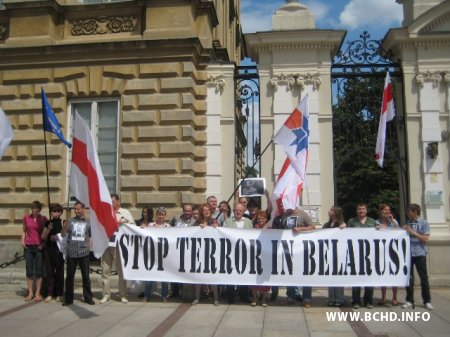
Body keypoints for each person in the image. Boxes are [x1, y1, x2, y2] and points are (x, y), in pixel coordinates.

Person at [100, 194, 135, 304]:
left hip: (119, 246)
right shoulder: (106, 213)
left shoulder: (125, 213)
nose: (111, 204)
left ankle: (123, 294)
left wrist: (124, 224)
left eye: (113, 202)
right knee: (105, 271)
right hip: (106, 244)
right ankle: (106, 294)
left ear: (118, 202)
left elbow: (133, 226)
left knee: (121, 271)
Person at [62, 201, 94, 306]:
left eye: (78, 209)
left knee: (86, 276)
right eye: (75, 209)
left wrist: (90, 246)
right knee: (70, 277)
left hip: (84, 252)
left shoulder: (88, 222)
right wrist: (64, 226)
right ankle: (68, 298)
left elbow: (91, 236)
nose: (76, 211)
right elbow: (63, 234)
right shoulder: (70, 221)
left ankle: (88, 297)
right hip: (72, 252)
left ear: (83, 209)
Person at [402, 204, 433, 310]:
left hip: (420, 253)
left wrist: (412, 232)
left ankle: (427, 300)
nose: (407, 213)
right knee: (409, 278)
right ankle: (409, 300)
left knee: (423, 278)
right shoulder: (407, 222)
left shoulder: (424, 223)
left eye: (409, 211)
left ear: (415, 212)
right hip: (408, 254)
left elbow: (425, 239)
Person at [348, 203, 377, 309]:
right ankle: (356, 301)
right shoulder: (351, 221)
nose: (361, 211)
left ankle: (368, 301)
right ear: (356, 211)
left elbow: (378, 234)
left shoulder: (372, 222)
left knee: (369, 278)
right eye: (359, 209)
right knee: (356, 278)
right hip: (356, 253)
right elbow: (347, 235)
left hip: (369, 254)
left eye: (363, 209)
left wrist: (380, 229)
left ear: (366, 210)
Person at [223, 202, 253, 303]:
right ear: (234, 211)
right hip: (231, 253)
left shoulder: (248, 222)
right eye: (236, 210)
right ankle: (230, 297)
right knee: (231, 274)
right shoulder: (227, 221)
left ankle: (244, 296)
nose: (238, 212)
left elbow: (252, 235)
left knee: (244, 274)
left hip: (244, 253)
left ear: (243, 211)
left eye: (240, 210)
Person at [192, 203, 219, 306]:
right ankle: (197, 298)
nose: (207, 211)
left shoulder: (214, 221)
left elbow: (219, 233)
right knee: (198, 276)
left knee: (213, 276)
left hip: (212, 253)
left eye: (208, 210)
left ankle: (216, 298)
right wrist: (198, 228)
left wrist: (216, 227)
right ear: (201, 212)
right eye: (204, 210)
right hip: (200, 252)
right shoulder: (197, 222)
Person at [142, 207, 171, 303]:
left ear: (165, 216)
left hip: (164, 255)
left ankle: (164, 296)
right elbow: (144, 234)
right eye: (159, 214)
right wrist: (142, 228)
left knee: (164, 277)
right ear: (156, 215)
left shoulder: (168, 226)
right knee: (150, 276)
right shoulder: (151, 225)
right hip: (152, 254)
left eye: (162, 215)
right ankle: (147, 295)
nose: (161, 216)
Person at [21, 200, 47, 302]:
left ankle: (37, 293)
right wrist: (22, 240)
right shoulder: (26, 218)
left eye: (35, 208)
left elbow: (46, 233)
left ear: (39, 209)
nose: (33, 210)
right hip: (28, 246)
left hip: (39, 247)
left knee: (39, 270)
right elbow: (24, 230)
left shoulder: (43, 219)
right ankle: (30, 292)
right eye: (32, 208)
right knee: (29, 270)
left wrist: (43, 244)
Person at [290, 208, 315, 307]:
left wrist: (300, 229)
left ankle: (307, 298)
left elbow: (312, 227)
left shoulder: (303, 214)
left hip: (303, 248)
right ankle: (291, 296)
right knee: (290, 272)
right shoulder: (285, 215)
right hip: (290, 249)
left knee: (306, 273)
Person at [376, 203, 399, 306]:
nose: (387, 212)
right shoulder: (376, 222)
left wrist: (392, 220)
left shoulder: (393, 222)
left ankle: (394, 297)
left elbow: (398, 231)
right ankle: (383, 297)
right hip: (381, 251)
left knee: (394, 274)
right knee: (383, 274)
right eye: (384, 210)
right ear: (380, 211)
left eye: (388, 210)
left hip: (393, 250)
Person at [41, 203, 65, 303]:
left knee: (59, 271)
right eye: (51, 211)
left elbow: (65, 235)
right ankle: (50, 293)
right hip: (49, 249)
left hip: (59, 250)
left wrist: (58, 236)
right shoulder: (48, 223)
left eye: (54, 211)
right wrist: (49, 229)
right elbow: (43, 236)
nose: (52, 213)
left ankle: (59, 293)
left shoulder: (63, 222)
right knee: (49, 271)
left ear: (59, 213)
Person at [323, 206, 346, 307]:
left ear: (336, 212)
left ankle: (339, 298)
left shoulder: (341, 224)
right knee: (331, 276)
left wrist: (344, 227)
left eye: (331, 210)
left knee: (339, 276)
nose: (329, 211)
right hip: (329, 253)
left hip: (339, 253)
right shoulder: (327, 224)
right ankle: (331, 298)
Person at [249, 211, 271, 307]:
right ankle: (255, 297)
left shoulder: (270, 229)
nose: (261, 220)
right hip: (255, 256)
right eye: (259, 218)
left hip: (266, 256)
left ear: (266, 219)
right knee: (254, 278)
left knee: (265, 279)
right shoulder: (254, 229)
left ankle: (264, 298)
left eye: (262, 218)